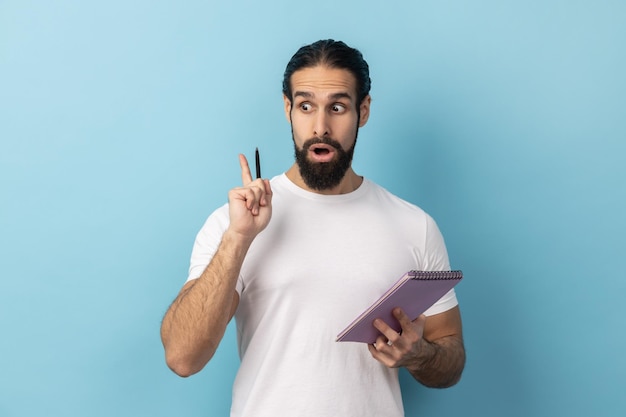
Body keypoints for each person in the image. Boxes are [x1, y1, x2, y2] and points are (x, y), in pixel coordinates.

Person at [160, 39, 465, 417]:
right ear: (288, 109)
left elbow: (450, 359)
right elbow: (182, 357)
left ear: (363, 110)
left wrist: (418, 355)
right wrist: (239, 240)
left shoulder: (414, 225)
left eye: (337, 107)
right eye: (306, 106)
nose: (320, 127)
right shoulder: (233, 223)